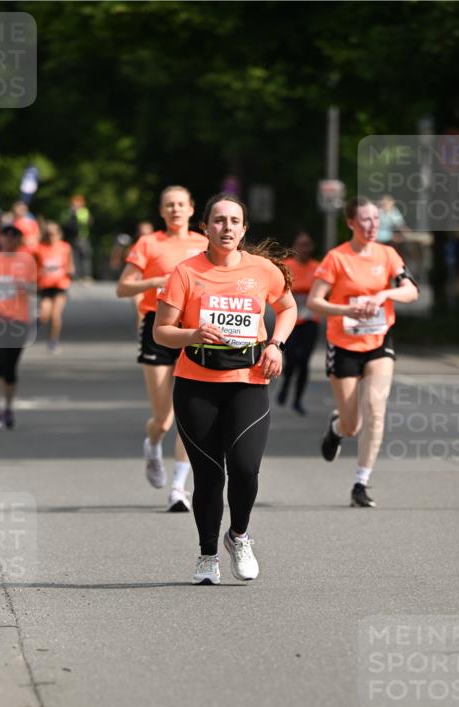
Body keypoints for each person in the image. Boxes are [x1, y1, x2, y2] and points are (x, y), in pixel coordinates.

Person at [154, 193, 297, 584]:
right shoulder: (185, 272)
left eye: (234, 221)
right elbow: (161, 331)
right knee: (210, 476)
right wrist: (192, 333)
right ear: (205, 227)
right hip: (196, 385)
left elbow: (288, 308)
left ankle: (239, 536)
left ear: (244, 229)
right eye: (219, 220)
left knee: (246, 468)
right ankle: (207, 556)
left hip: (248, 381)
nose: (227, 227)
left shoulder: (263, 270)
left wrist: (276, 345)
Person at [307, 196, 418, 508]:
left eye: (376, 219)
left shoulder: (388, 254)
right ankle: (335, 428)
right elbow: (315, 301)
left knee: (375, 409)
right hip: (343, 345)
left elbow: (411, 290)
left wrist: (384, 294)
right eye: (366, 220)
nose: (372, 225)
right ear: (351, 223)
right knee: (352, 425)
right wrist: (346, 310)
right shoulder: (336, 258)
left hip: (379, 341)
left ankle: (361, 483)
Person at [117, 186, 207, 512]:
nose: (175, 210)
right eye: (169, 205)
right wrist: (155, 282)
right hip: (156, 327)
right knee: (164, 418)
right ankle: (153, 444)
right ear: (161, 211)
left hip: (192, 329)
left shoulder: (204, 244)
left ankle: (179, 489)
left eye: (181, 204)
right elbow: (122, 287)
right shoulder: (149, 243)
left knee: (188, 414)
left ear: (191, 209)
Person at [0, 225, 36, 429]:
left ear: (19, 241)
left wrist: (23, 286)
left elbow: (35, 286)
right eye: (5, 236)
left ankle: (8, 408)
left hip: (18, 320)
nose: (9, 240)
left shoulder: (27, 261)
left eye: (13, 237)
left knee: (11, 367)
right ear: (0, 239)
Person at [277, 232, 320, 415]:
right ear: (295, 247)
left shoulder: (317, 268)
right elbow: (279, 291)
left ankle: (297, 400)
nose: (304, 248)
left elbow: (323, 293)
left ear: (312, 247)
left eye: (307, 244)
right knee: (291, 358)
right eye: (301, 245)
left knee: (304, 361)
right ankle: (286, 385)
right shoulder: (286, 266)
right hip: (291, 321)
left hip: (310, 320)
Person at [34, 222, 74, 352]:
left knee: (56, 315)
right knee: (44, 315)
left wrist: (70, 273)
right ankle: (32, 327)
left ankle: (53, 341)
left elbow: (70, 265)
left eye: (53, 234)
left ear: (59, 234)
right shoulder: (39, 248)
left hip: (60, 285)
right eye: (48, 234)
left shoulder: (65, 247)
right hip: (45, 286)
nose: (51, 236)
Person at [65, 195, 93, 280]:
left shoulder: (84, 211)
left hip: (82, 237)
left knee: (85, 257)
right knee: (75, 257)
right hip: (73, 238)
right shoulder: (69, 212)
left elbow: (86, 222)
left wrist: (75, 213)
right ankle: (77, 276)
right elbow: (67, 224)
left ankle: (86, 275)